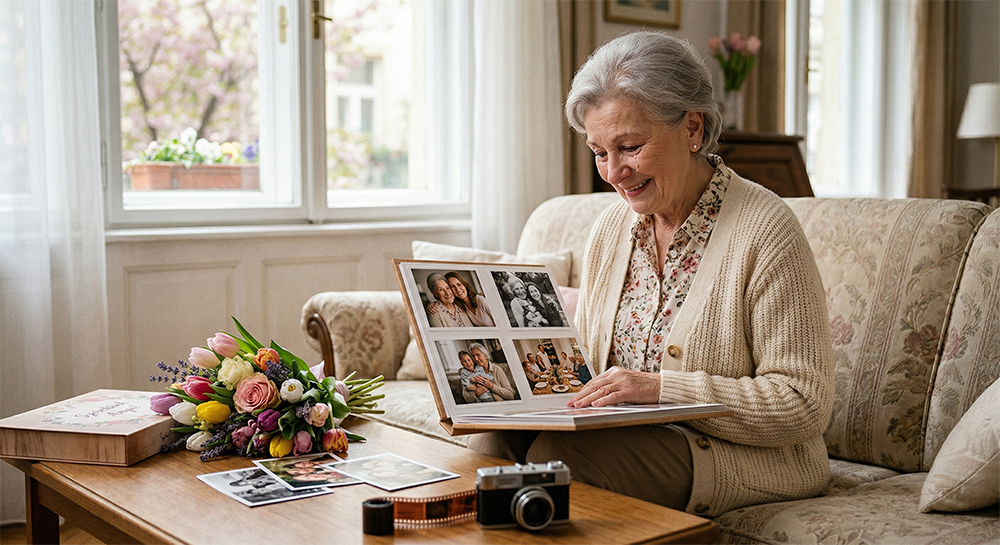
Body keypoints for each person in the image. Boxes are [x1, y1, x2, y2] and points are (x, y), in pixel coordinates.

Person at [468, 31, 833, 517]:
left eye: (630, 146)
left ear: (692, 129)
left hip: (741, 457)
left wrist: (662, 388)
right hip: (624, 436)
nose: (614, 171)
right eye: (599, 152)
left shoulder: (766, 231)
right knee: (491, 439)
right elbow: (591, 366)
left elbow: (802, 403)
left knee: (557, 463)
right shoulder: (610, 229)